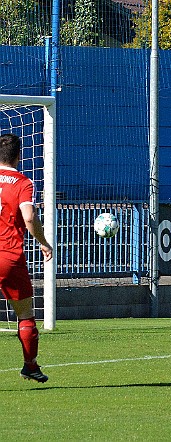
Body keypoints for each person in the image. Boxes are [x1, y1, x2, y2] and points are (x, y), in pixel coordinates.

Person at [0, 133, 53, 382]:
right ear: (19, 156)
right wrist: (43, 243)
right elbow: (29, 217)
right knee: (25, 314)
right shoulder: (22, 182)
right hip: (8, 256)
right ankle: (30, 365)